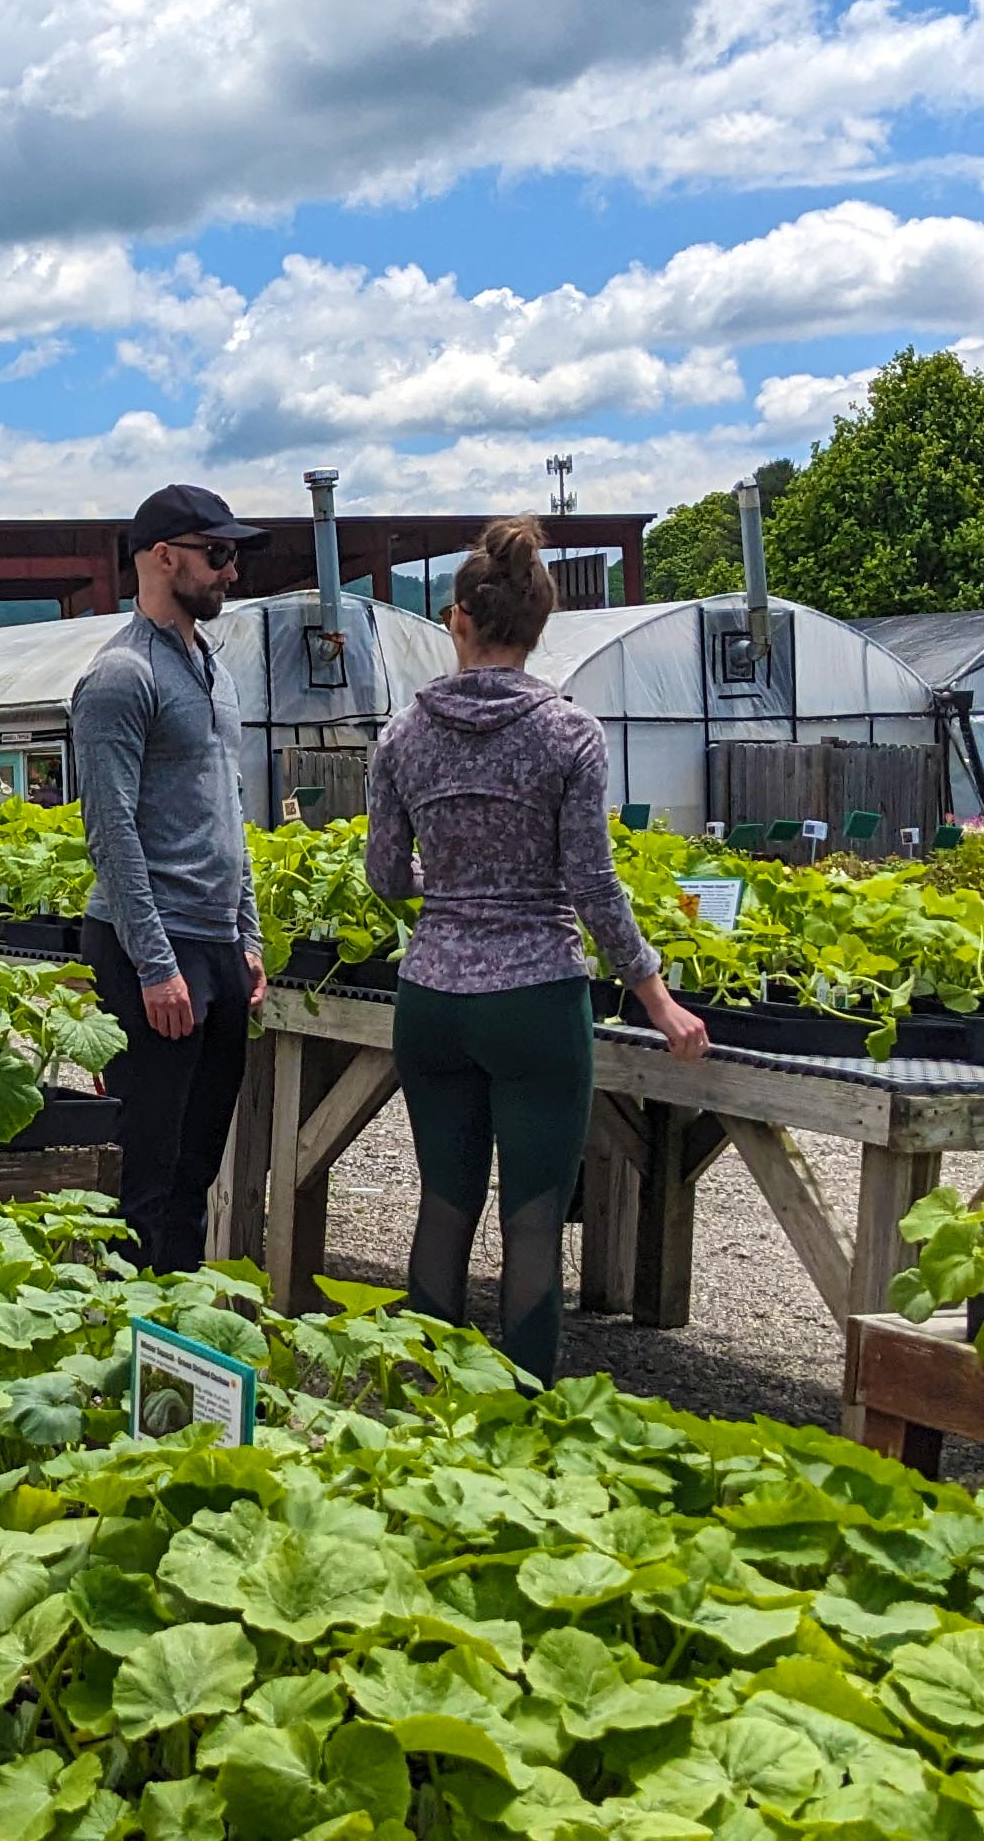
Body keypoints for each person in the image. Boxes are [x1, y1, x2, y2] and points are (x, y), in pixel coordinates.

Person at [366, 515, 710, 1385]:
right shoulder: (569, 734)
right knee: (530, 1216)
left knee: (443, 1203)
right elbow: (591, 884)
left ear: (458, 620)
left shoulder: (402, 736)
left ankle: (426, 1407)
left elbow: (383, 876)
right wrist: (656, 995)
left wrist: (443, 878)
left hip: (433, 998)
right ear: (538, 626)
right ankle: (524, 1413)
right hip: (537, 998)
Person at [71, 484, 270, 1276]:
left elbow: (229, 809)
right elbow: (110, 831)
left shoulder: (213, 671)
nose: (231, 572)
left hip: (214, 942)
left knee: (198, 1169)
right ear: (162, 558)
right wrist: (155, 963)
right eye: (217, 554)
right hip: (150, 946)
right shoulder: (121, 677)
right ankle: (127, 1343)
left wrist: (246, 935)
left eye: (233, 555)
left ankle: (182, 1352)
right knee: (145, 1172)